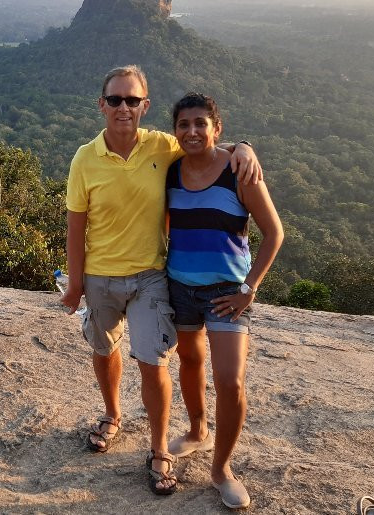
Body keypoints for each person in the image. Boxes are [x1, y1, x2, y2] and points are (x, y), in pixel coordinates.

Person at [61, 66, 262, 496]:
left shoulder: (161, 145)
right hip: (100, 274)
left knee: (153, 360)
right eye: (115, 99)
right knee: (104, 348)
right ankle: (113, 415)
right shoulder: (85, 158)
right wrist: (75, 284)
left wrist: (243, 147)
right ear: (101, 105)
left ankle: (158, 449)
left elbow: (202, 144)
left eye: (132, 100)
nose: (124, 107)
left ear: (145, 106)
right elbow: (76, 226)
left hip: (151, 275)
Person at [165, 92, 283, 510]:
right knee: (190, 361)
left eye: (201, 123)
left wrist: (249, 289)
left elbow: (274, 233)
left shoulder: (239, 173)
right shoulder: (171, 171)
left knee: (230, 381)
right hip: (179, 285)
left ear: (217, 128)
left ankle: (221, 469)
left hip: (226, 292)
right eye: (184, 124)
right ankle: (198, 431)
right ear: (175, 131)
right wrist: (241, 145)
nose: (192, 131)